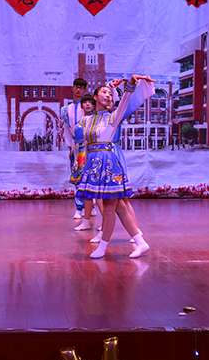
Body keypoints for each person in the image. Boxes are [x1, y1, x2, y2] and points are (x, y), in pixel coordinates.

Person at [74, 75, 155, 259]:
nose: (108, 95)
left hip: (108, 164)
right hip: (94, 164)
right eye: (104, 92)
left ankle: (102, 247)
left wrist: (131, 83)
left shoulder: (113, 117)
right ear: (95, 97)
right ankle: (141, 242)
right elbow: (84, 144)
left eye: (110, 94)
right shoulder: (86, 121)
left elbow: (125, 101)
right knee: (119, 207)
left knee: (110, 208)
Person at [62, 78, 100, 229]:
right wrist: (70, 146)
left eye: (81, 88)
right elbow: (67, 130)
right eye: (76, 87)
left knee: (91, 175)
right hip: (76, 146)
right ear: (72, 88)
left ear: (85, 89)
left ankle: (92, 206)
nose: (78, 90)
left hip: (90, 146)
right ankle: (79, 208)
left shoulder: (89, 107)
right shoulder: (66, 110)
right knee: (78, 176)